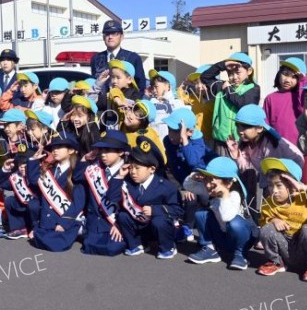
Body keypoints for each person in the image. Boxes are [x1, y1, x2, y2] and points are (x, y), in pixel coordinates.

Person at [257, 158, 307, 282]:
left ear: (292, 185)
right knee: (267, 229)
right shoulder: (268, 203)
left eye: (279, 185)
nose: (274, 190)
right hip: (286, 248)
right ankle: (276, 262)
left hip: (306, 247)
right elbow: (262, 222)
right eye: (271, 185)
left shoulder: (306, 198)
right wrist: (273, 220)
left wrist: (304, 187)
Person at [227, 104, 304, 220]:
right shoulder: (246, 142)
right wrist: (236, 154)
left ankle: (281, 220)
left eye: (245, 127)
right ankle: (264, 219)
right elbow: (246, 167)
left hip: (290, 167)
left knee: (279, 192)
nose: (240, 131)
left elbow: (272, 173)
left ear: (259, 128)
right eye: (238, 126)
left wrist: (266, 187)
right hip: (268, 169)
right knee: (267, 191)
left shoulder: (271, 145)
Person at [110, 136, 183, 259]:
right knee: (123, 216)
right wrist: (119, 177)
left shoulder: (165, 186)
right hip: (139, 226)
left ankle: (167, 247)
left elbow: (178, 210)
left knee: (159, 220)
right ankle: (136, 244)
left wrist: (155, 210)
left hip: (159, 228)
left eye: (137, 168)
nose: (133, 172)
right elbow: (112, 198)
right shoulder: (127, 181)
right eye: (131, 167)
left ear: (152, 169)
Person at [187, 157, 256, 270]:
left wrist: (224, 195)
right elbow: (189, 186)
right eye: (206, 179)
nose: (208, 185)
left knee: (235, 223)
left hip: (242, 238)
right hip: (223, 237)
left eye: (212, 182)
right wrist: (193, 177)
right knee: (201, 214)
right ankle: (210, 248)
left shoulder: (234, 195)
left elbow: (226, 217)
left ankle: (240, 254)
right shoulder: (212, 191)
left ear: (228, 183)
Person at [162, 108, 216, 242]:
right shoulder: (168, 141)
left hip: (202, 180)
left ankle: (188, 227)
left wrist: (185, 140)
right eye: (169, 129)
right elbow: (174, 166)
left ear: (190, 132)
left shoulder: (198, 143)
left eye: (176, 131)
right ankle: (176, 221)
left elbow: (193, 161)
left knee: (192, 198)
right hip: (182, 178)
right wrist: (181, 186)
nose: (170, 134)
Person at [26, 132, 85, 252]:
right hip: (47, 220)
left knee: (55, 244)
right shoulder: (50, 170)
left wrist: (64, 223)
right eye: (53, 147)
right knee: (41, 240)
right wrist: (33, 160)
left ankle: (78, 227)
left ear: (71, 150)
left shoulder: (77, 172)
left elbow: (78, 203)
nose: (55, 150)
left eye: (59, 147)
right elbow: (34, 182)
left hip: (63, 218)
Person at [78, 130, 130, 256]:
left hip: (114, 222)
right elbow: (78, 178)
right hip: (95, 222)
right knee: (89, 246)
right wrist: (84, 160)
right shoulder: (95, 168)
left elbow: (131, 203)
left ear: (121, 152)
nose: (103, 155)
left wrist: (119, 224)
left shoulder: (129, 172)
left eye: (108, 150)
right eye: (101, 150)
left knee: (112, 248)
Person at [200, 52, 260, 156]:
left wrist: (228, 90)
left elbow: (243, 104)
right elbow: (205, 77)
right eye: (230, 73)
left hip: (241, 141)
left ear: (249, 71)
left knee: (241, 169)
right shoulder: (221, 86)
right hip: (221, 140)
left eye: (238, 73)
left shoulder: (253, 88)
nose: (234, 77)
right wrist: (222, 65)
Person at [0, 145, 40, 240]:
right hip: (25, 210)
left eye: (25, 164)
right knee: (10, 200)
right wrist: (5, 169)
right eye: (20, 165)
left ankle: (37, 228)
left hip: (38, 212)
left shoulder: (39, 175)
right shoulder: (16, 177)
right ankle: (19, 229)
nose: (22, 168)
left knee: (34, 204)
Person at [90, 20, 146, 93]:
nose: (110, 37)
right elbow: (93, 82)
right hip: (99, 103)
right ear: (103, 37)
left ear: (122, 37)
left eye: (114, 33)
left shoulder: (133, 58)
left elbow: (140, 86)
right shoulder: (96, 58)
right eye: (107, 34)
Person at [263, 57, 307, 147]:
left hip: (301, 147)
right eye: (285, 74)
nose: (288, 80)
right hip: (277, 146)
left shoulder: (301, 96)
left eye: (294, 77)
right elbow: (265, 123)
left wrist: (303, 82)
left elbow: (303, 105)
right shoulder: (270, 98)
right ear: (279, 74)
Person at [178, 64, 215, 146]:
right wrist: (184, 84)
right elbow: (181, 97)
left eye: (202, 83)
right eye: (196, 82)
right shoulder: (194, 97)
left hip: (209, 138)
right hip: (195, 135)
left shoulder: (216, 99)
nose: (198, 86)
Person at [146, 70, 185, 140]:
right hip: (153, 140)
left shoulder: (177, 102)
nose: (154, 90)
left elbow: (182, 121)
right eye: (153, 88)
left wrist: (167, 100)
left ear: (168, 86)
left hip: (169, 142)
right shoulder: (152, 101)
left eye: (156, 87)